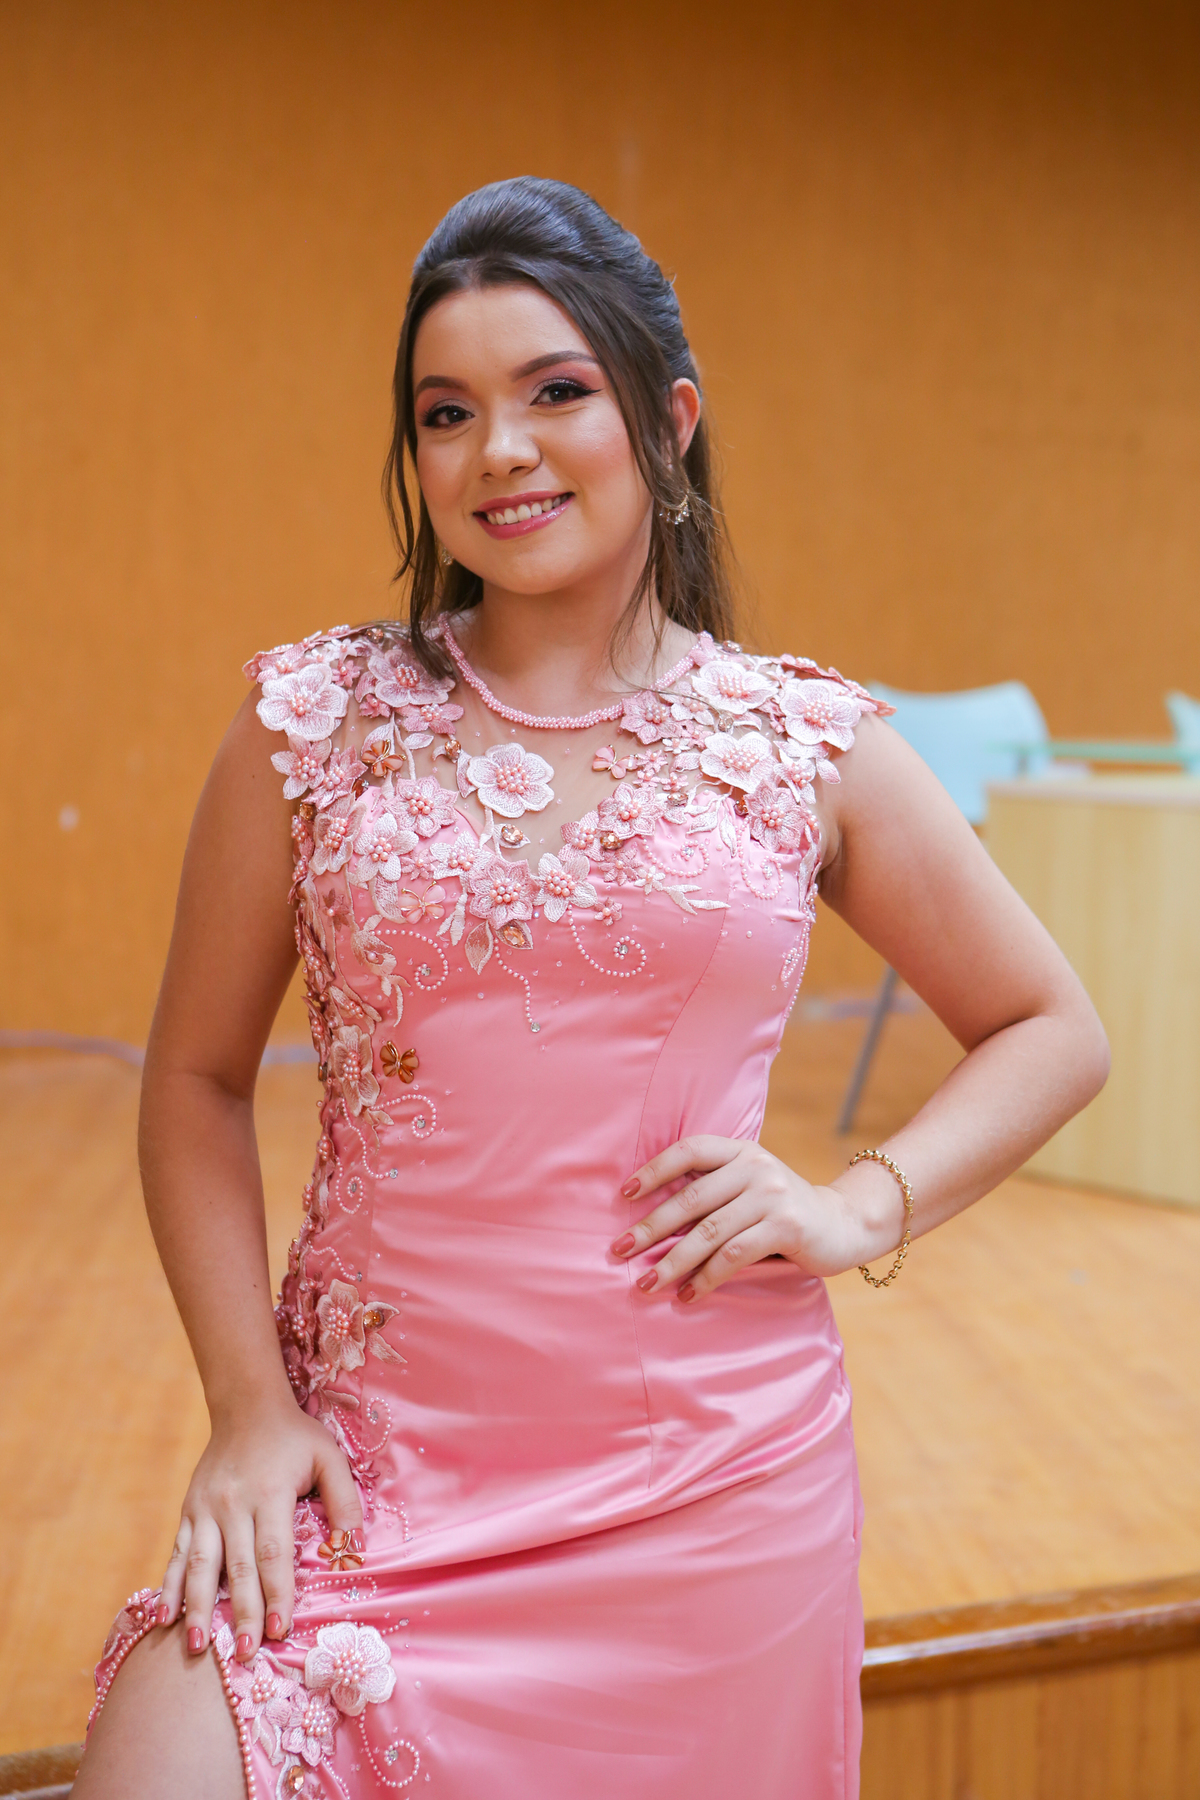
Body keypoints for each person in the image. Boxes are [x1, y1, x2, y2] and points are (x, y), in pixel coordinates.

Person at [75, 177, 1108, 1800]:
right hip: (369, 1469)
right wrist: (247, 1410)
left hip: (712, 1487)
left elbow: (1053, 1026)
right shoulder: (315, 724)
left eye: (554, 391)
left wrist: (859, 1206)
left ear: (667, 421)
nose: (500, 449)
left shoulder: (800, 740)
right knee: (165, 1754)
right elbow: (196, 1082)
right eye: (447, 412)